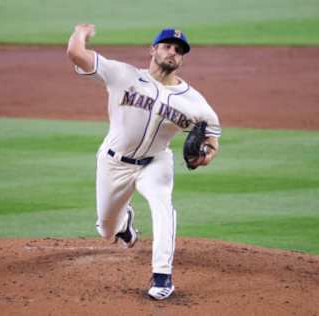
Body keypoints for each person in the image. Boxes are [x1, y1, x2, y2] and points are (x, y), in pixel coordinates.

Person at [67, 24, 221, 300]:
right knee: (106, 229)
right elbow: (76, 54)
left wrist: (205, 155)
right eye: (166, 46)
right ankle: (123, 225)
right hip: (114, 163)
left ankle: (163, 277)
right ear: (153, 50)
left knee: (163, 206)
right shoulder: (123, 75)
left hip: (156, 162)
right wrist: (80, 33)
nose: (172, 52)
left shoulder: (194, 101)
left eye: (178, 50)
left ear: (182, 59)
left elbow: (211, 139)